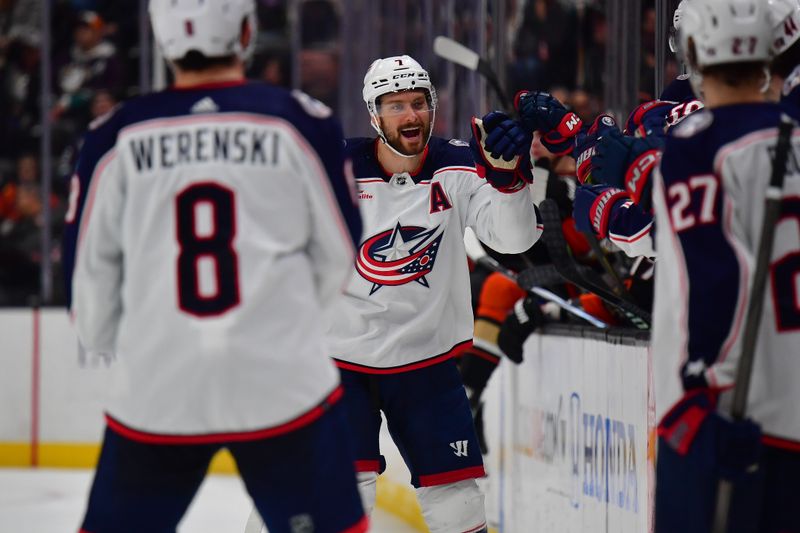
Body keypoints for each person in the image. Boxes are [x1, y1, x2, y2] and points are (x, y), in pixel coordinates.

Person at [66, 1, 367, 532]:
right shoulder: (301, 120)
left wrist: (131, 346)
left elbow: (88, 288)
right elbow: (340, 255)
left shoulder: (113, 135)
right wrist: (286, 328)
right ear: (247, 30)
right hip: (282, 383)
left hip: (156, 389)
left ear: (160, 39)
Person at [327, 55, 541, 533]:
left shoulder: (462, 163)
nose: (411, 115)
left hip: (427, 359)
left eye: (419, 103)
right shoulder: (335, 168)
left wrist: (509, 180)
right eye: (396, 105)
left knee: (457, 500)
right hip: (340, 360)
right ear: (373, 114)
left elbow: (515, 240)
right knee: (340, 492)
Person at [650, 1, 800, 531]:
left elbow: (714, 277)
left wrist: (703, 383)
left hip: (727, 416)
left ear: (694, 55)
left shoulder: (698, 144)